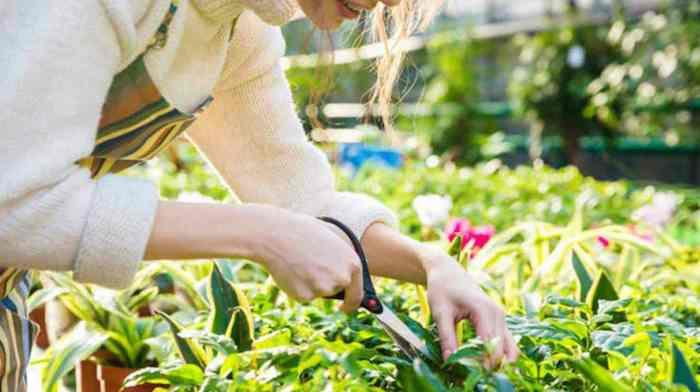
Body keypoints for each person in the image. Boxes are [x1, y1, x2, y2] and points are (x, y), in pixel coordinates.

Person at [1, 0, 518, 389]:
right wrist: (260, 234)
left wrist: (432, 265)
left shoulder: (237, 31)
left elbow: (302, 200)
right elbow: (14, 205)